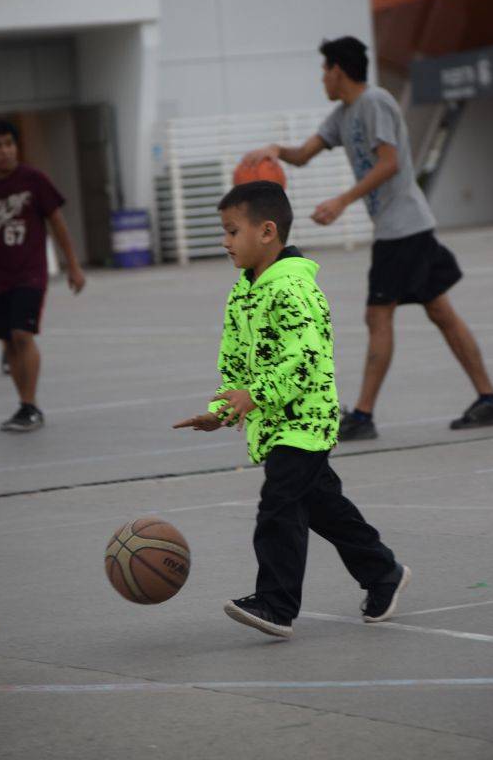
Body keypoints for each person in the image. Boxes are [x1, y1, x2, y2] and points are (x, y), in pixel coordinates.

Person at [242, 36, 493, 440]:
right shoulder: (342, 115)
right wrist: (274, 150)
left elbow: (389, 163)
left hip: (403, 228)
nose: (322, 78)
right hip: (404, 229)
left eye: (324, 71)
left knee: (378, 315)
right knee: (441, 313)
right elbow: (303, 155)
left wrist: (342, 201)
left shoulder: (375, 102)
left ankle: (364, 416)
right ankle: (490, 399)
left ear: (337, 70)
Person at [174, 181, 410, 638]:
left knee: (278, 505)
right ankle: (384, 572)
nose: (224, 241)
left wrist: (255, 396)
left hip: (305, 421)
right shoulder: (243, 292)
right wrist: (221, 410)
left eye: (232, 231)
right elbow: (234, 362)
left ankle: (276, 604)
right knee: (324, 508)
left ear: (266, 232)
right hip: (274, 422)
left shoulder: (294, 289)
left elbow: (305, 359)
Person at [0, 120, 86, 431]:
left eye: (8, 144)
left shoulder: (33, 180)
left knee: (22, 334)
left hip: (29, 273)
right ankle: (24, 405)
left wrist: (73, 265)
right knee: (8, 340)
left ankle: (31, 406)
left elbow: (57, 223)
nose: (4, 151)